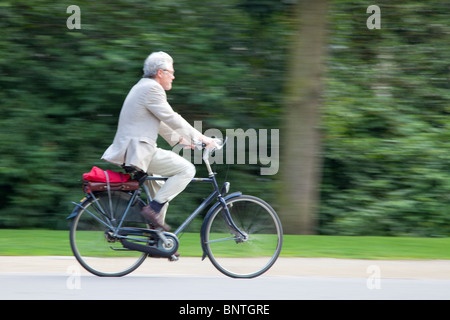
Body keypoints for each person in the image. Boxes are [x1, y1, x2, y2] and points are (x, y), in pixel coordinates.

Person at [102, 51, 216, 232]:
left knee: (158, 187)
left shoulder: (142, 86)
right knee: (187, 169)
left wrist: (181, 140)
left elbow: (160, 121)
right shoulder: (152, 89)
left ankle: (156, 238)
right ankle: (152, 210)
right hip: (138, 151)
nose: (173, 76)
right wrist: (201, 138)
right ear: (160, 73)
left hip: (131, 151)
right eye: (171, 71)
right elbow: (171, 117)